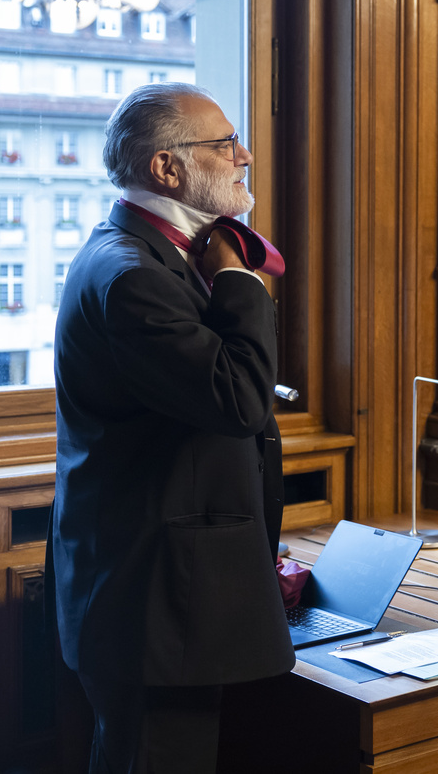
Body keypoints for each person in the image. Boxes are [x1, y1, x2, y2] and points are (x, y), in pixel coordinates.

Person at [48, 82, 294, 773]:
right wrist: (240, 280)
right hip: (154, 603)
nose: (244, 155)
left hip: (173, 594)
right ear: (167, 168)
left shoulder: (154, 254)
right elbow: (238, 400)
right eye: (226, 143)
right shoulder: (131, 273)